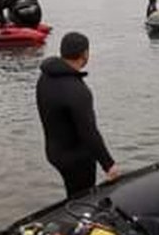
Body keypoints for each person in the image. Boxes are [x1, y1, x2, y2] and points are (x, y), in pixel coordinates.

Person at [36, 32, 120, 198]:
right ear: (85, 54)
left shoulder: (45, 77)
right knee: (83, 198)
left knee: (72, 193)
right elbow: (88, 131)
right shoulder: (77, 90)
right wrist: (108, 165)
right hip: (76, 158)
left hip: (54, 151)